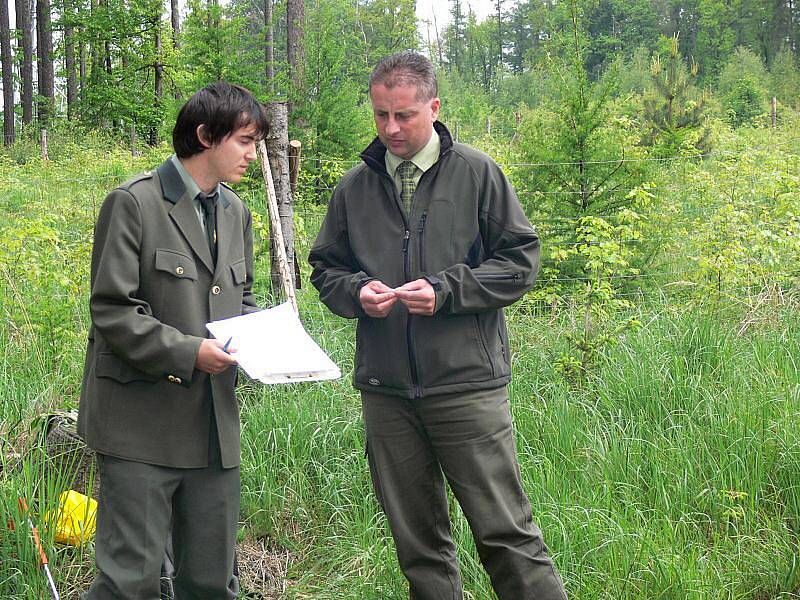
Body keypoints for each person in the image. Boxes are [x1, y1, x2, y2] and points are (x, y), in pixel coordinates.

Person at [309, 51, 567, 600]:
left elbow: (520, 262)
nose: (391, 129)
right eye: (380, 115)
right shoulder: (354, 188)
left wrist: (446, 291)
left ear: (434, 107)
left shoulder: (477, 173)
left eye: (403, 115)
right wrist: (358, 293)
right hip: (386, 392)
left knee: (506, 535)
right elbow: (326, 269)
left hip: (467, 387)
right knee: (419, 546)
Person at [78, 82, 267, 599]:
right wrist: (189, 353)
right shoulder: (133, 203)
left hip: (212, 428)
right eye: (245, 140)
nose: (253, 153)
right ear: (206, 136)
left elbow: (241, 298)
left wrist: (266, 343)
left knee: (210, 581)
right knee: (130, 581)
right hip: (139, 428)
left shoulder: (235, 212)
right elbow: (113, 311)